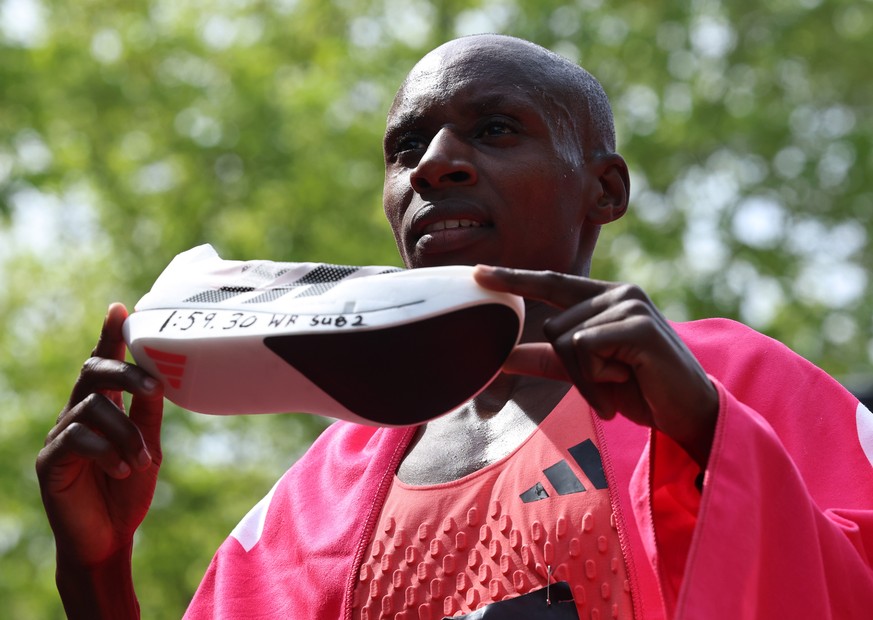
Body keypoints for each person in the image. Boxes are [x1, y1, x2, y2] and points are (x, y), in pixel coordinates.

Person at [37, 34, 873, 619]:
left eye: (496, 128)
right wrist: (99, 575)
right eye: (405, 150)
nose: (435, 163)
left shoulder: (734, 379)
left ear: (605, 189)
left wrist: (705, 431)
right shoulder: (322, 488)